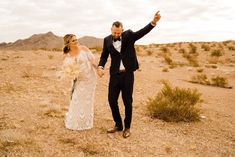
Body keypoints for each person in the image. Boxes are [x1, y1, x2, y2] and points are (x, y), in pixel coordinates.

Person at [97, 11, 161, 138]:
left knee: (127, 101)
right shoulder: (106, 40)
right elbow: (104, 55)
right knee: (111, 100)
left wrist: (153, 22)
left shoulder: (129, 35)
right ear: (111, 30)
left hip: (127, 75)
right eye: (114, 32)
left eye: (119, 32)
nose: (116, 34)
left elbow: (142, 32)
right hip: (114, 75)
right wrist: (100, 66)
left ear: (122, 30)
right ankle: (118, 124)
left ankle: (127, 127)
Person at [60, 34, 97, 130]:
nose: (76, 42)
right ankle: (74, 122)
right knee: (76, 99)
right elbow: (65, 68)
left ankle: (85, 122)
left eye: (76, 39)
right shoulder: (66, 55)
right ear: (68, 44)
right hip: (78, 79)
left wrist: (98, 69)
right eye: (73, 41)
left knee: (87, 100)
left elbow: (92, 61)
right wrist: (70, 74)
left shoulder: (83, 49)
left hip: (89, 78)